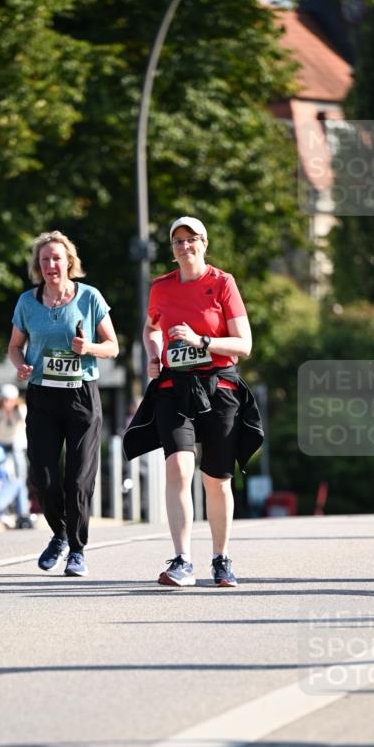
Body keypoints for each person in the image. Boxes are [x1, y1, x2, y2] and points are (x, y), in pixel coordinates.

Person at [124, 216, 263, 587]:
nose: (185, 247)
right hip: (175, 387)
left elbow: (244, 344)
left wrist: (201, 341)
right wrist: (154, 355)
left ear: (204, 243)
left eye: (192, 240)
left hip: (220, 387)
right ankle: (182, 560)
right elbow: (151, 329)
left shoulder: (222, 283)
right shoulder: (161, 287)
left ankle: (221, 558)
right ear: (172, 249)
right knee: (179, 469)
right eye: (178, 241)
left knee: (216, 480)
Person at [7, 230, 119, 576]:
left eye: (56, 258)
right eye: (44, 260)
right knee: (41, 474)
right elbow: (14, 346)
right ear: (38, 266)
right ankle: (59, 533)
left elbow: (113, 346)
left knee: (78, 478)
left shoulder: (89, 297)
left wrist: (89, 349)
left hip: (81, 394)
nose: (51, 265)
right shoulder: (27, 302)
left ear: (69, 262)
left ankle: (77, 549)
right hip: (42, 394)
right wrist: (20, 364)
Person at [0, 383, 33, 528]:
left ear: (15, 400)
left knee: (20, 477)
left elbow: (28, 425)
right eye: (4, 400)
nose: (6, 403)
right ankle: (1, 510)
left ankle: (22, 513)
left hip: (16, 445)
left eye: (9, 400)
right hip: (0, 445)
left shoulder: (21, 409)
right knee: (1, 476)